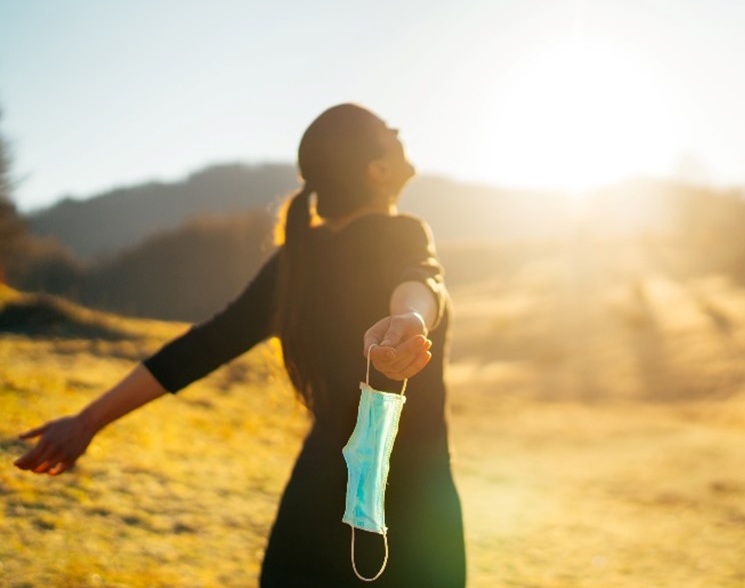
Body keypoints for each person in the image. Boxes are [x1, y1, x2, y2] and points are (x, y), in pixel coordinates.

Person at [13, 104, 467, 587]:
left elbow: (200, 347)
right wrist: (412, 317)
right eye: (386, 130)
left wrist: (87, 422)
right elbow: (421, 276)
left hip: (312, 503)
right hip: (413, 501)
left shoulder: (293, 261)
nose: (397, 130)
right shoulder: (400, 231)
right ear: (376, 170)